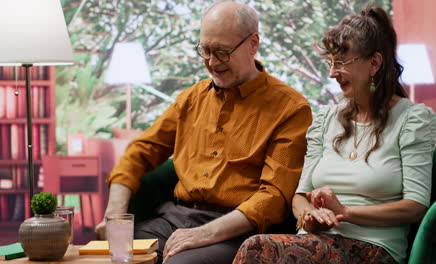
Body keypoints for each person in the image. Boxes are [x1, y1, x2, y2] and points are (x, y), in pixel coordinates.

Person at [94, 1, 312, 264]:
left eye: (221, 52)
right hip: (173, 218)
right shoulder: (191, 98)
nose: (211, 62)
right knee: (105, 256)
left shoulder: (291, 108)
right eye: (205, 50)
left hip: (236, 230)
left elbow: (274, 197)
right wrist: (115, 216)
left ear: (253, 44)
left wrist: (203, 233)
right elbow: (140, 152)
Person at [233, 5, 435, 264]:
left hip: (373, 248)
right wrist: (310, 217)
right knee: (259, 247)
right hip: (315, 241)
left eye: (341, 63)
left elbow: (416, 207)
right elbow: (299, 196)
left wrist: (345, 212)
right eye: (330, 62)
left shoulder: (412, 119)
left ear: (374, 63)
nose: (331, 73)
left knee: (258, 248)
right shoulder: (325, 119)